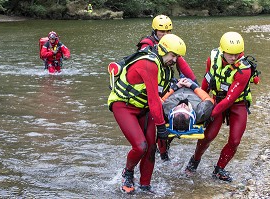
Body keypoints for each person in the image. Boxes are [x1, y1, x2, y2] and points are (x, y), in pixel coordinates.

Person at [107, 34, 187, 194]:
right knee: (140, 146)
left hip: (144, 108)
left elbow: (159, 98)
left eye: (177, 57)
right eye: (173, 56)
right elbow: (153, 99)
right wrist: (161, 126)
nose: (175, 60)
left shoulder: (165, 67)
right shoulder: (149, 63)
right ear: (163, 50)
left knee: (150, 147)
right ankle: (128, 173)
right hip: (124, 105)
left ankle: (145, 186)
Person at [185, 32, 256, 182]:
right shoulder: (213, 58)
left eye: (237, 54)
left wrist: (211, 114)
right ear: (222, 51)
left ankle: (219, 169)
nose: (234, 58)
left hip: (237, 103)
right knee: (208, 135)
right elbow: (208, 79)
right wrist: (201, 103)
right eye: (230, 54)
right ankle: (194, 161)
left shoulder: (244, 69)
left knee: (235, 141)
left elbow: (230, 99)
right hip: (217, 99)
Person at [136, 15, 198, 161]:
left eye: (168, 31)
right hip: (149, 86)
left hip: (163, 85)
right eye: (161, 32)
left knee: (169, 118)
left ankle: (164, 150)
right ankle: (156, 149)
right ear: (155, 31)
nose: (165, 34)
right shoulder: (147, 45)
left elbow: (183, 65)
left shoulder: (172, 44)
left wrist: (195, 85)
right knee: (154, 122)